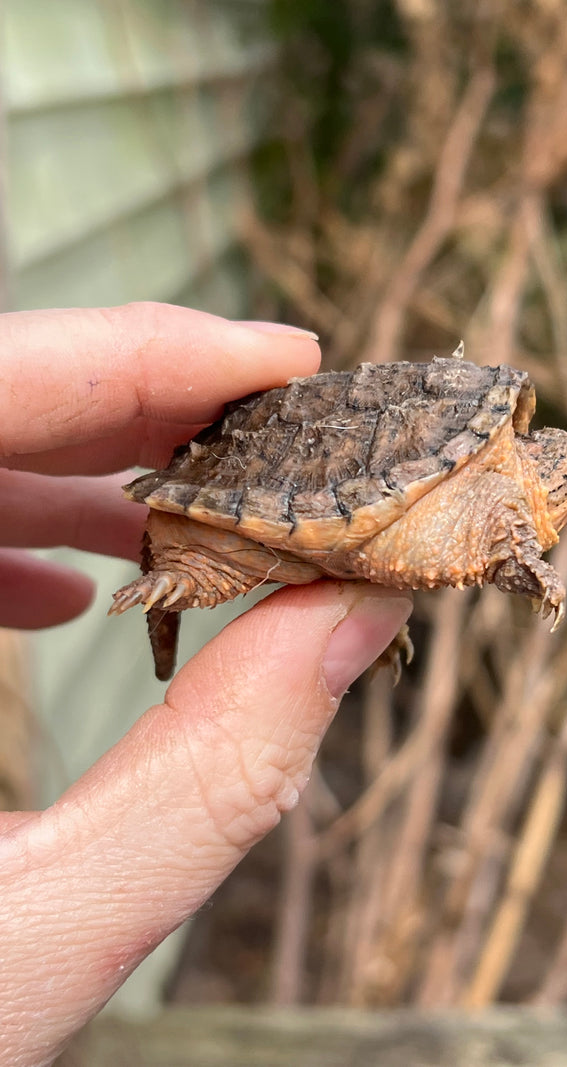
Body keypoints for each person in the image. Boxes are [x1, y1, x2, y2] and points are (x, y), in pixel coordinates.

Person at [0, 302, 412, 1065]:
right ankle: (173, 579)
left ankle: (175, 576)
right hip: (238, 520)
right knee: (204, 563)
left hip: (290, 528)